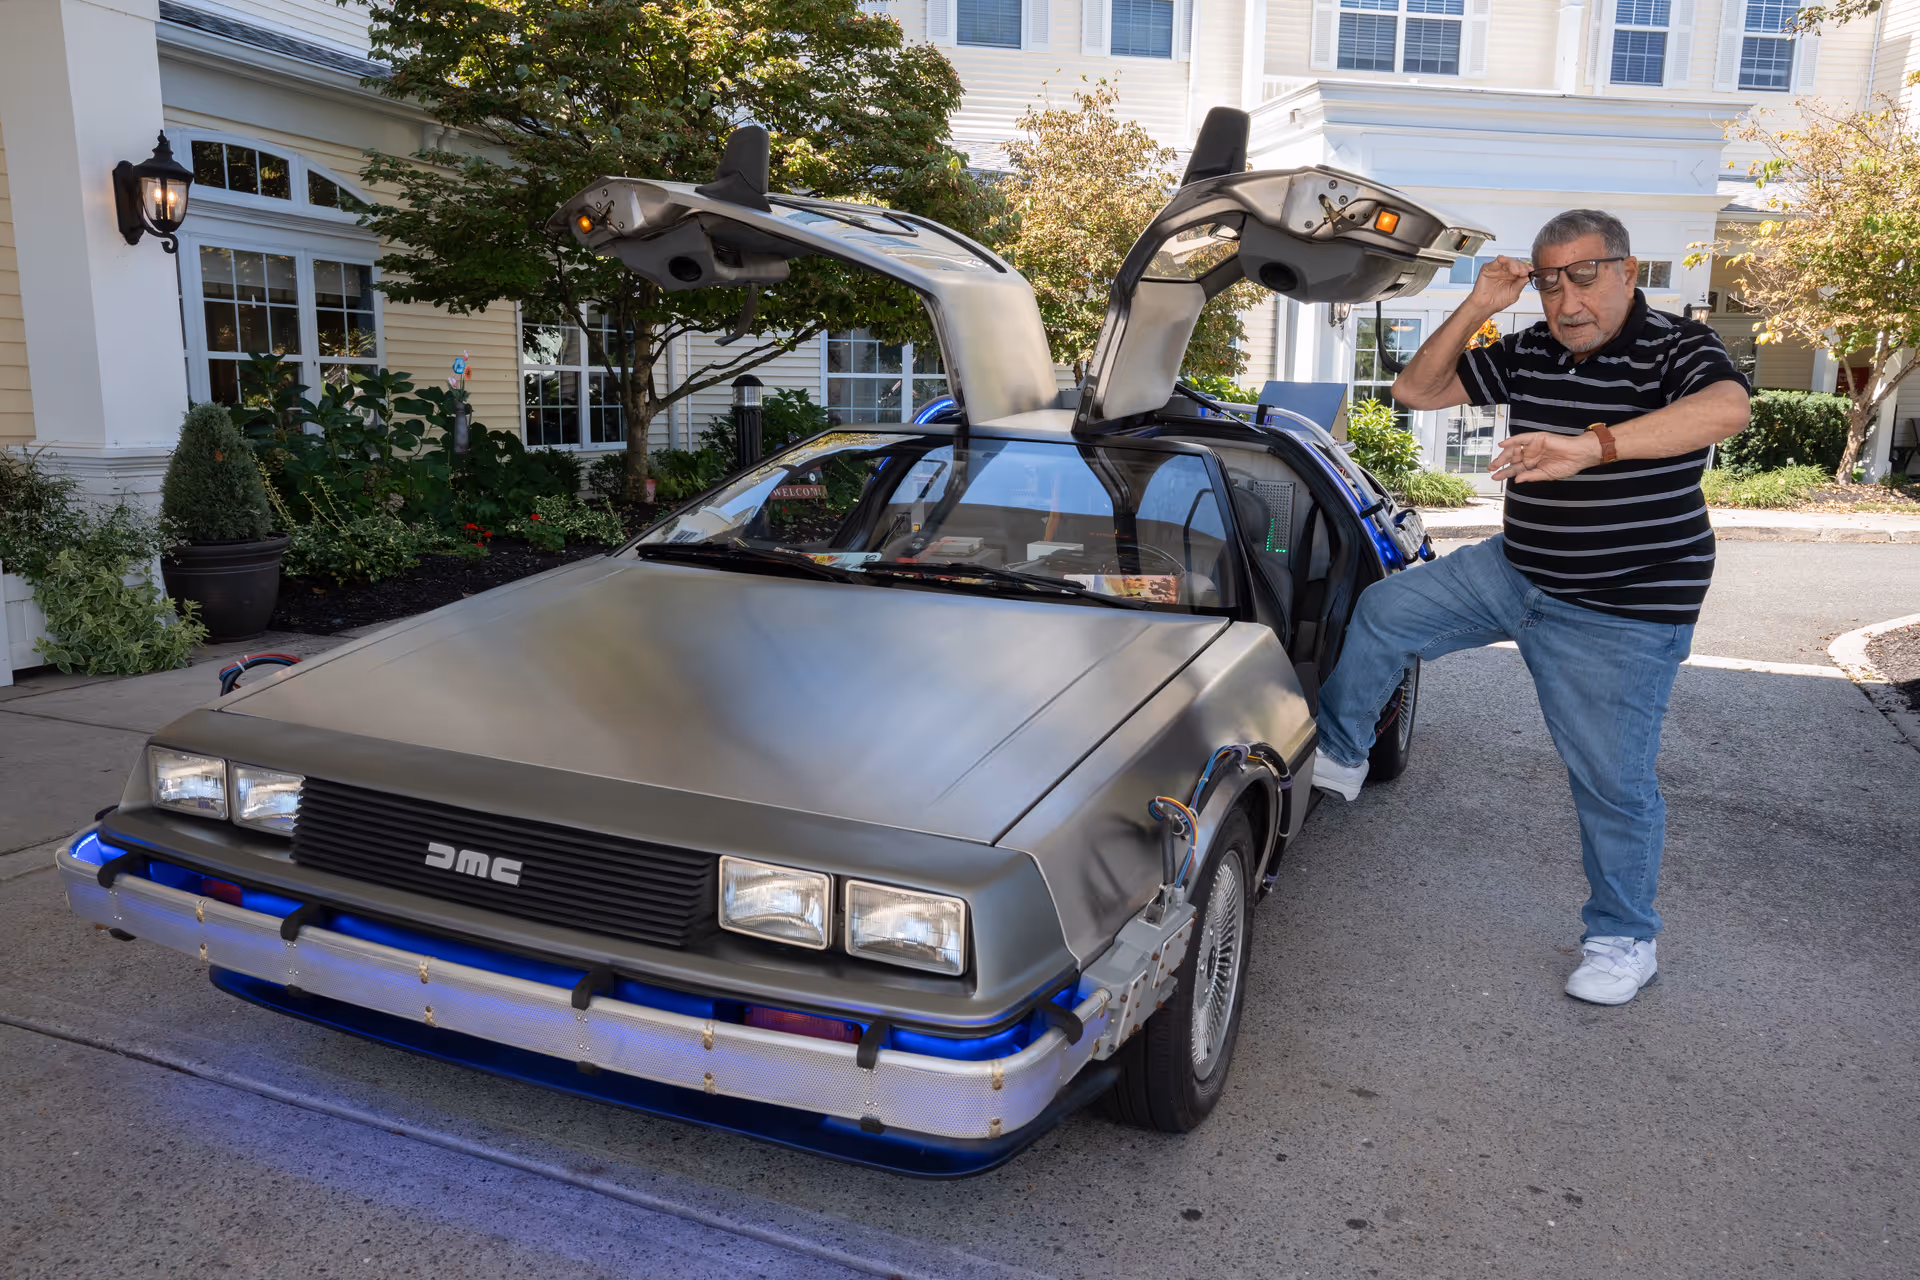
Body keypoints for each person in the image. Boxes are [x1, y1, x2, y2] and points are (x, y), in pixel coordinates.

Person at [1311, 208, 1752, 1006]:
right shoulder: (1534, 349)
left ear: (1626, 271)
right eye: (1550, 283)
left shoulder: (1677, 345)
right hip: (1516, 571)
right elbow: (1416, 388)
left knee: (1612, 783)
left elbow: (1726, 411)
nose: (1567, 301)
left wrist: (1589, 445)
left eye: (1585, 276)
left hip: (1623, 607)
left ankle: (1623, 938)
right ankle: (1338, 756)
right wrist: (1480, 304)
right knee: (1385, 613)